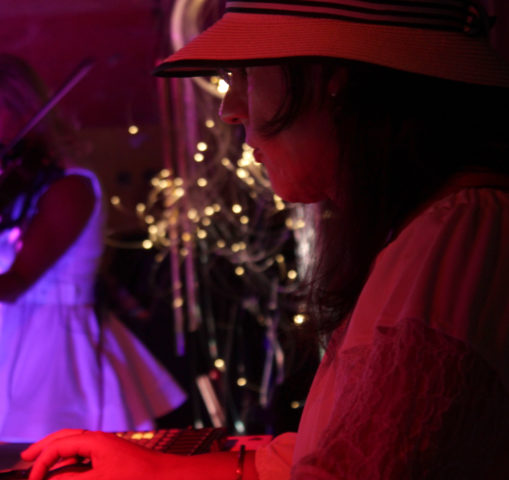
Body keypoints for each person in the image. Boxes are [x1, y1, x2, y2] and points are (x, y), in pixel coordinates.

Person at [22, 0, 509, 478]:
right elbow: (327, 449)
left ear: (333, 80)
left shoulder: (458, 234)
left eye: (246, 75)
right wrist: (155, 467)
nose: (230, 110)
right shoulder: (425, 229)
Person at [0, 53, 187, 443]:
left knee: (53, 452)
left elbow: (16, 282)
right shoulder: (16, 185)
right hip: (13, 336)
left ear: (18, 108)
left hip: (54, 349)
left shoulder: (71, 188)